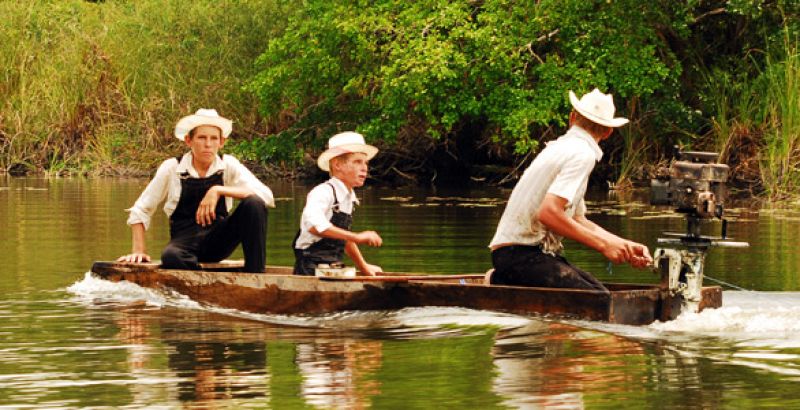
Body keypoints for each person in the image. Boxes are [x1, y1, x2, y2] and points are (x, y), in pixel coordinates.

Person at [488, 89, 652, 291]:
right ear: (608, 132)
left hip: (516, 255)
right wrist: (603, 245)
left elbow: (577, 219)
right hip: (519, 255)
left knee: (600, 291)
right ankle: (502, 278)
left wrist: (623, 244)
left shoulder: (562, 147)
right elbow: (548, 213)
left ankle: (501, 278)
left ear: (572, 117)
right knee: (598, 299)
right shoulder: (582, 154)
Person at [118, 108, 275, 273]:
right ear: (188, 140)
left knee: (254, 203)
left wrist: (218, 190)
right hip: (184, 244)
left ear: (221, 142)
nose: (208, 144)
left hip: (219, 241)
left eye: (214, 138)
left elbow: (267, 197)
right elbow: (141, 210)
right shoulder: (172, 168)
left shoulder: (228, 164)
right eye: (201, 137)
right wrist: (139, 251)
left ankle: (255, 273)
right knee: (171, 256)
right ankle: (204, 279)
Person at [293, 132, 383, 276]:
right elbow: (313, 226)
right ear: (337, 165)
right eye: (357, 162)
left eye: (365, 162)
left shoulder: (348, 198)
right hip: (309, 267)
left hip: (331, 267)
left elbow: (344, 238)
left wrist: (364, 267)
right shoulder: (322, 192)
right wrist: (357, 237)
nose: (364, 168)